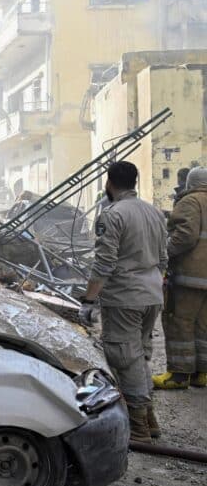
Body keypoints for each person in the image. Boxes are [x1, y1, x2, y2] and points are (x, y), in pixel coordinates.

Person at [78, 161, 168, 443]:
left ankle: (138, 427)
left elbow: (104, 263)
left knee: (124, 357)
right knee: (140, 354)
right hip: (152, 295)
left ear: (109, 183)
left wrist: (89, 301)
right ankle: (149, 417)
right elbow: (164, 259)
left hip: (125, 298)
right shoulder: (154, 212)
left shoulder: (112, 215)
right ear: (135, 182)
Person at [154, 166, 207, 390]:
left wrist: (163, 253)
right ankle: (201, 373)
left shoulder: (190, 201)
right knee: (203, 325)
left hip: (190, 276)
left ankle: (178, 375)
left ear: (190, 183)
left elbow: (185, 236)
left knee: (180, 322)